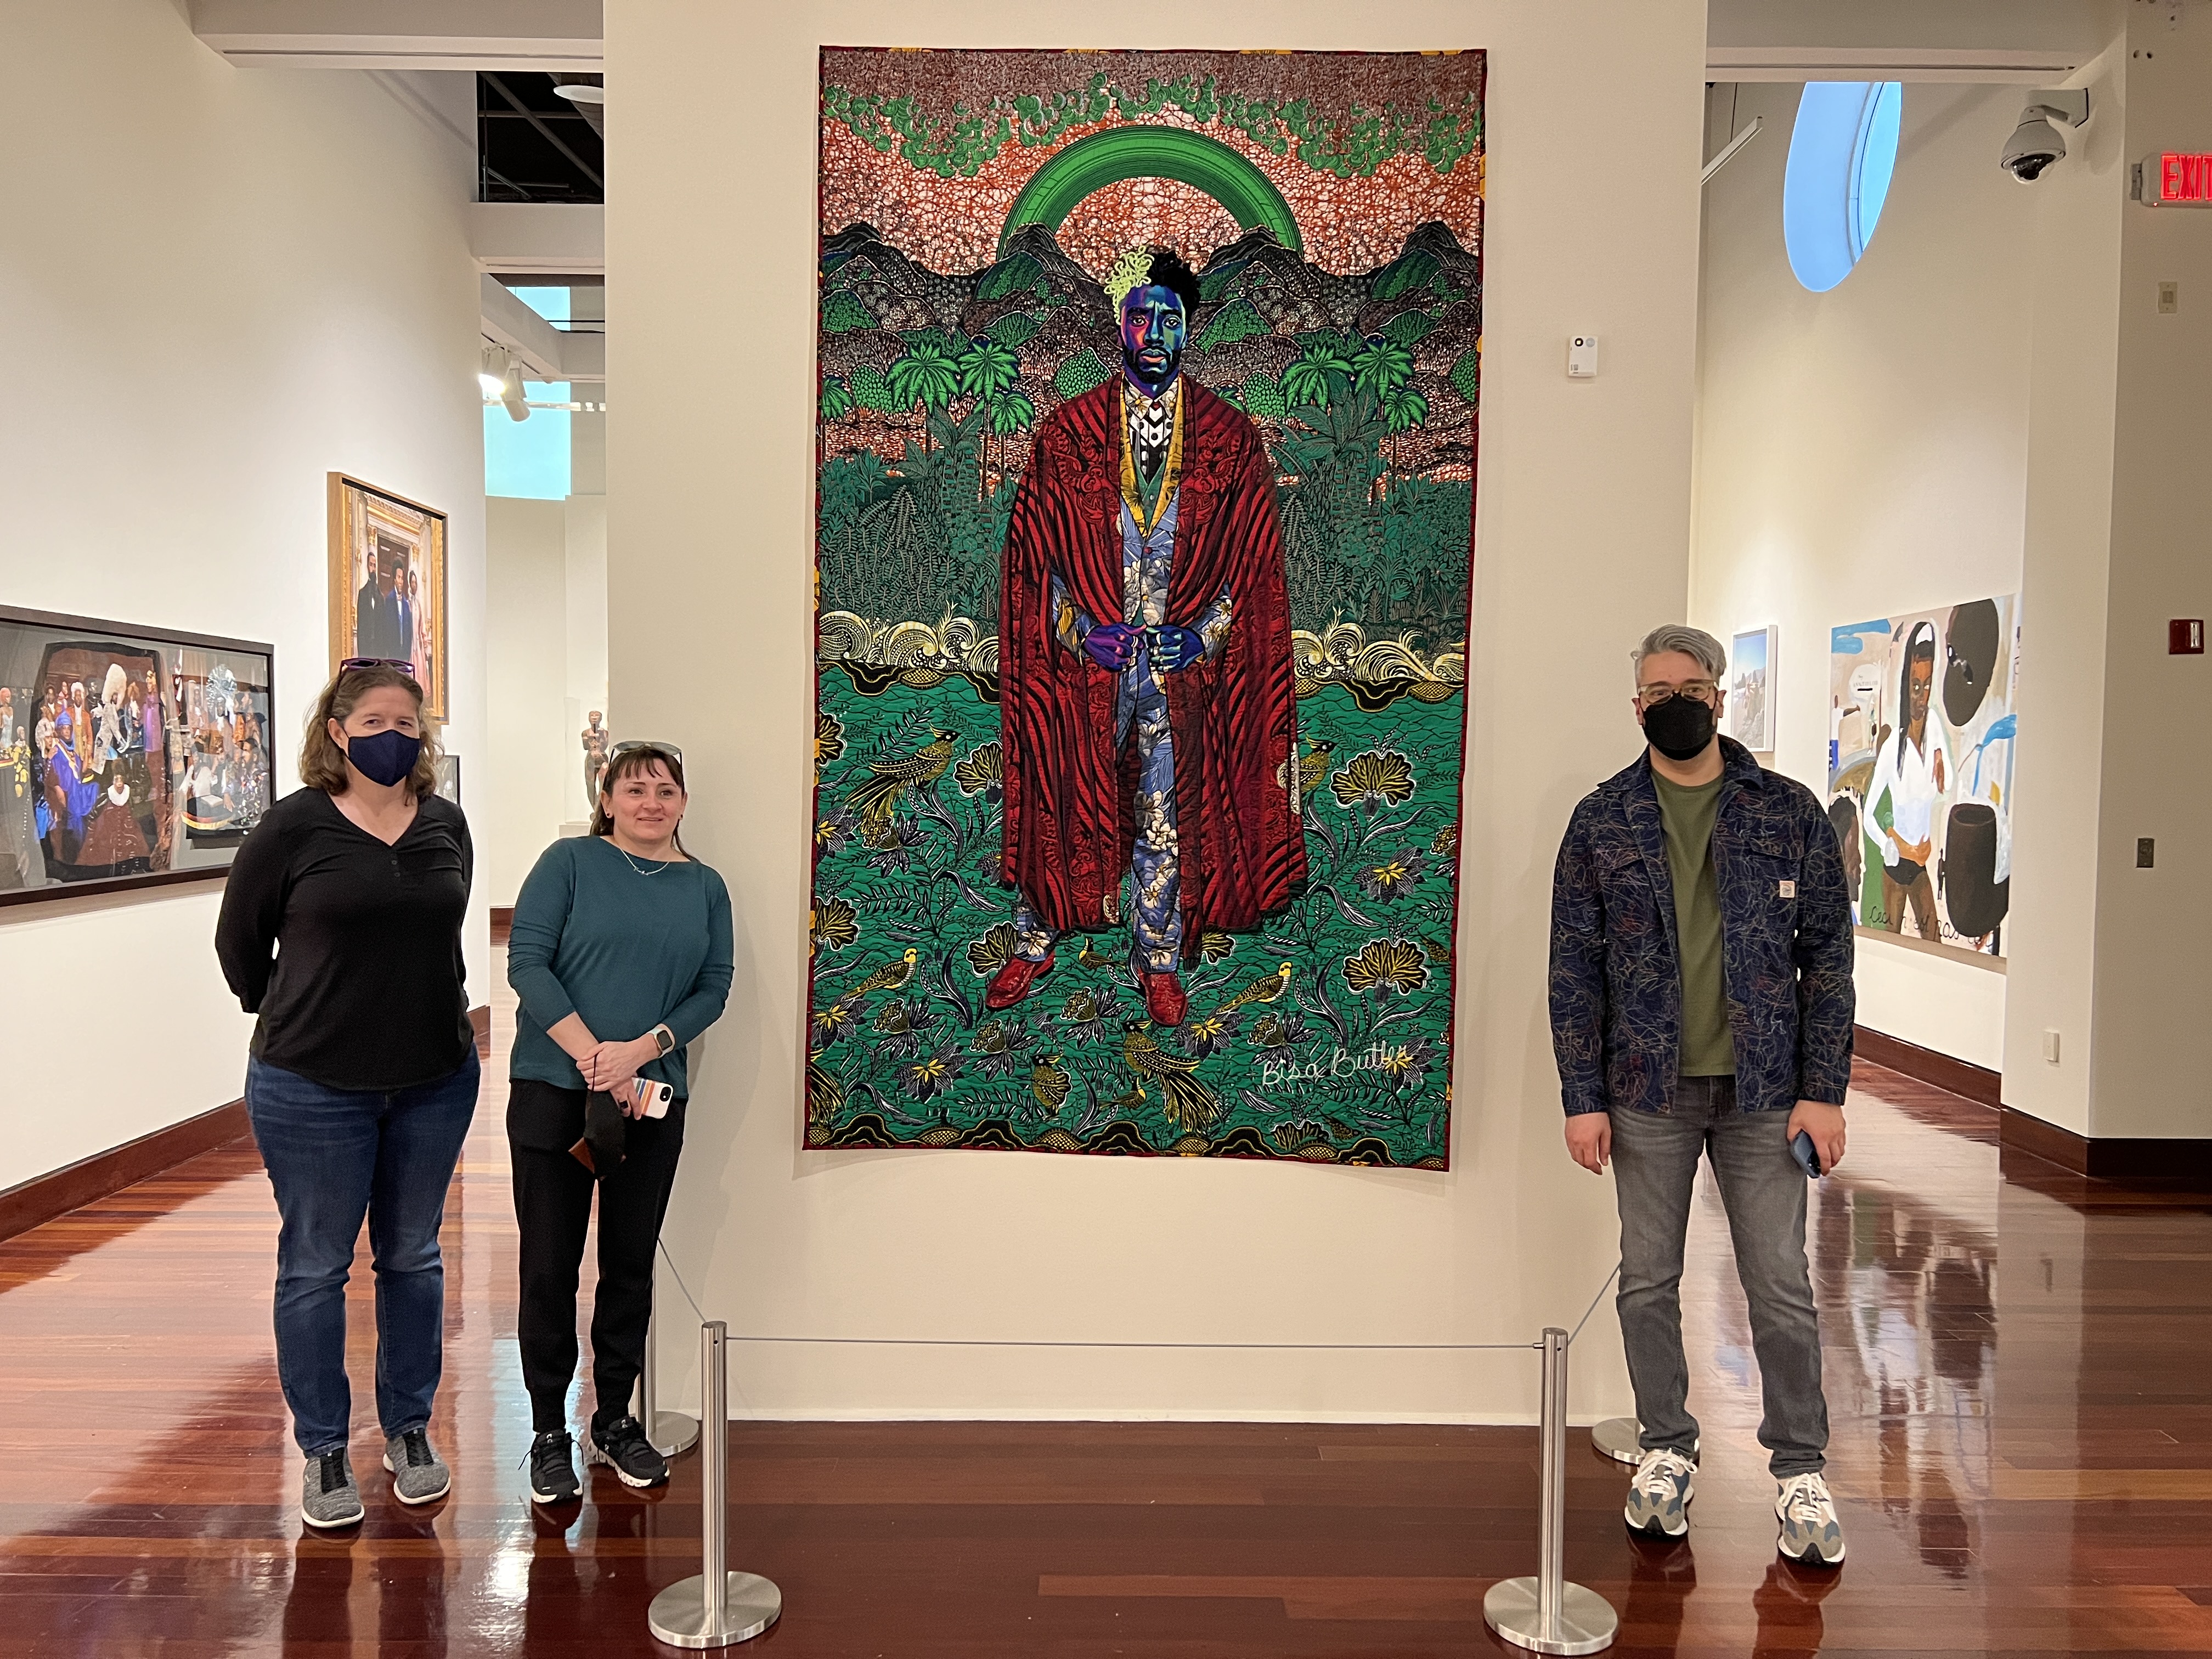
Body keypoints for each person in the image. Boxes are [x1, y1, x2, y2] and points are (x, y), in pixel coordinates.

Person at [1549, 624, 1854, 1568]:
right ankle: (1666, 1448)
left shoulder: (1787, 811)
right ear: (1635, 705)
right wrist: (1581, 1096)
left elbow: (1828, 957)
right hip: (1646, 1090)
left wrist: (1824, 1091)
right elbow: (1573, 967)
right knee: (1646, 1280)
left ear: (1720, 698)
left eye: (1690, 687)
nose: (1674, 702)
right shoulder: (1601, 819)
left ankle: (1799, 1467)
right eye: (1657, 691)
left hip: (1766, 1091)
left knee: (1780, 1284)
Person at [987, 245, 1304, 1030]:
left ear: (1189, 329)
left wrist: (1201, 638)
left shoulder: (1231, 439)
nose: (1154, 332)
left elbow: (1253, 572)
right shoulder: (1066, 434)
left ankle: (1157, 959)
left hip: (1178, 674)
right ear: (1119, 326)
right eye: (1140, 317)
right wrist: (1077, 633)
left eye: (1169, 318)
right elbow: (1033, 564)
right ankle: (1034, 940)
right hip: (1086, 670)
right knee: (1065, 793)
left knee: (1164, 812)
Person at [214, 660, 477, 1530]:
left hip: (435, 1079)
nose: (390, 736)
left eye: (405, 722)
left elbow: (445, 936)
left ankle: (409, 1428)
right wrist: (296, 1010)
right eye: (371, 722)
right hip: (311, 1086)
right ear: (336, 731)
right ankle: (324, 1447)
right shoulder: (293, 827)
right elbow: (240, 943)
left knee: (413, 1257)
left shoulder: (444, 823)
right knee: (316, 1264)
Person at [505, 741, 732, 1505]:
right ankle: (548, 1430)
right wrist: (594, 1058)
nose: (651, 803)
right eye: (634, 790)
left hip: (652, 1096)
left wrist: (641, 1051)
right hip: (554, 1091)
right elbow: (527, 963)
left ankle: (613, 1418)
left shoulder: (705, 887)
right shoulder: (568, 864)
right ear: (606, 800)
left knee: (629, 1265)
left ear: (683, 803)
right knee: (549, 1266)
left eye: (665, 790)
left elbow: (713, 988)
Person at [1865, 620, 1948, 940]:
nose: (1921, 698)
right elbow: (1869, 815)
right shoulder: (1891, 750)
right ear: (1904, 687)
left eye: (1927, 687)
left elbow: (1946, 786)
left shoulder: (1933, 734)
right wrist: (1894, 844)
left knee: (1934, 942)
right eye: (1915, 687)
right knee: (1891, 944)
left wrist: (1939, 754)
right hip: (1896, 868)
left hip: (1920, 867)